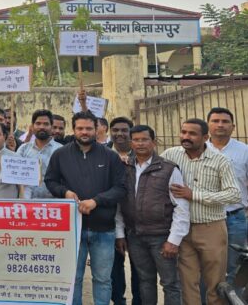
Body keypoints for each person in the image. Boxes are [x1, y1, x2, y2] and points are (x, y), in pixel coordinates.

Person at [45, 111, 127, 305]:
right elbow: (50, 180)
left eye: (89, 128)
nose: (84, 132)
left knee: (103, 279)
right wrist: (65, 192)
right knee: (74, 278)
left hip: (103, 228)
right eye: (80, 128)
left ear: (96, 129)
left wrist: (96, 201)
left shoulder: (110, 156)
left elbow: (121, 188)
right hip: (72, 229)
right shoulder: (60, 155)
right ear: (73, 129)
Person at [161, 118, 241, 305]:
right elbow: (150, 167)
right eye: (183, 132)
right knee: (187, 283)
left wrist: (194, 195)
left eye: (192, 134)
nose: (186, 137)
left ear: (205, 137)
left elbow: (234, 194)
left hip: (211, 228)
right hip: (183, 230)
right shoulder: (170, 155)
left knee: (215, 282)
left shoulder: (220, 161)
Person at [115, 125, 189, 305]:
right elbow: (119, 204)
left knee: (170, 283)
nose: (140, 144)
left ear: (154, 142)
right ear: (131, 143)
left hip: (161, 237)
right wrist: (120, 234)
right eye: (136, 140)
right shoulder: (124, 168)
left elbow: (181, 207)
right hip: (135, 236)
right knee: (145, 281)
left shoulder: (168, 169)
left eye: (144, 139)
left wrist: (174, 240)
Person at [207, 107, 248, 287]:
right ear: (208, 125)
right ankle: (208, 299)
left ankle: (233, 299)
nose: (220, 125)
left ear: (233, 126)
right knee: (207, 265)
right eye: (215, 121)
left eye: (225, 121)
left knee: (236, 267)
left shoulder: (244, 151)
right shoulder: (199, 150)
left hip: (235, 218)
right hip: (206, 219)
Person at [105, 116, 138, 305]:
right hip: (110, 219)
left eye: (124, 130)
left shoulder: (141, 153)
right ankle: (118, 301)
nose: (119, 134)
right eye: (115, 130)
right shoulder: (102, 154)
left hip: (136, 220)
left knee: (139, 267)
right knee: (114, 267)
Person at [16, 110, 61, 199]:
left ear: (51, 127)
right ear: (32, 126)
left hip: (53, 203)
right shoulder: (23, 149)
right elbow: (16, 175)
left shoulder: (60, 150)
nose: (42, 127)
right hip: (27, 203)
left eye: (46, 124)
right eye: (38, 123)